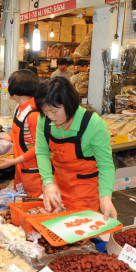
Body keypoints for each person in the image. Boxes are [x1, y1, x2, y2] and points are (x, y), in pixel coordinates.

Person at [34, 77, 117, 220]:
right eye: (45, 111)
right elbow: (41, 152)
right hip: (58, 184)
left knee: (78, 231)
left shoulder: (94, 124)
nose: (50, 116)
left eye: (54, 111)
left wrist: (105, 197)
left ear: (69, 103)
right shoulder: (44, 119)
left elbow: (106, 165)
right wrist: (48, 183)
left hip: (84, 189)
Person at [0, 70, 43, 197]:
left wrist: (13, 161)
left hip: (33, 171)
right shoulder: (19, 107)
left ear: (18, 87)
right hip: (20, 168)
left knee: (33, 205)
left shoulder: (34, 114)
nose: (7, 87)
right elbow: (17, 133)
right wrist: (0, 138)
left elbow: (38, 149)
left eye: (10, 84)